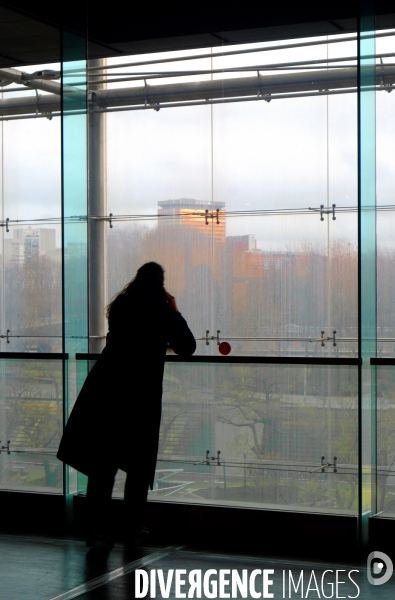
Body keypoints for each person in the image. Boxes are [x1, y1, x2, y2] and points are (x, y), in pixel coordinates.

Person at [57, 262, 196, 549]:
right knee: (138, 465)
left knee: (103, 465)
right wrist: (175, 309)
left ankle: (96, 531)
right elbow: (187, 346)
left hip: (106, 391)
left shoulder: (120, 306)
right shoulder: (160, 309)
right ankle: (132, 527)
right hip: (139, 398)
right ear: (160, 284)